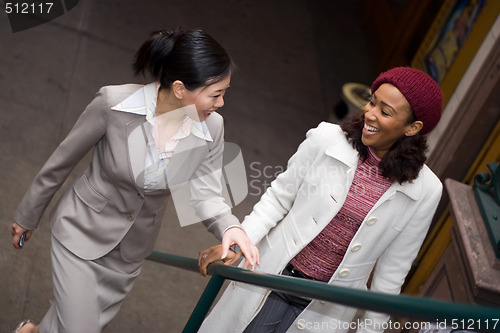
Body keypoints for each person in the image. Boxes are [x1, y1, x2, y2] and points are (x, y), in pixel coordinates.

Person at [11, 28, 259, 333]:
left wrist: (230, 227)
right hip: (81, 229)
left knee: (75, 320)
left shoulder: (212, 128)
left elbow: (205, 193)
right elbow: (62, 160)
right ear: (180, 88)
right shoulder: (113, 103)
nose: (221, 104)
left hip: (130, 251)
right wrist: (28, 215)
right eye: (216, 94)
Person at [198, 67, 443, 333]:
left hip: (328, 308)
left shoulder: (426, 190)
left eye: (385, 112)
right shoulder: (326, 138)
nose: (370, 114)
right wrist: (237, 244)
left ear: (412, 127)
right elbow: (278, 199)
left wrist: (370, 330)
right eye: (372, 101)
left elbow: (391, 274)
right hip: (274, 274)